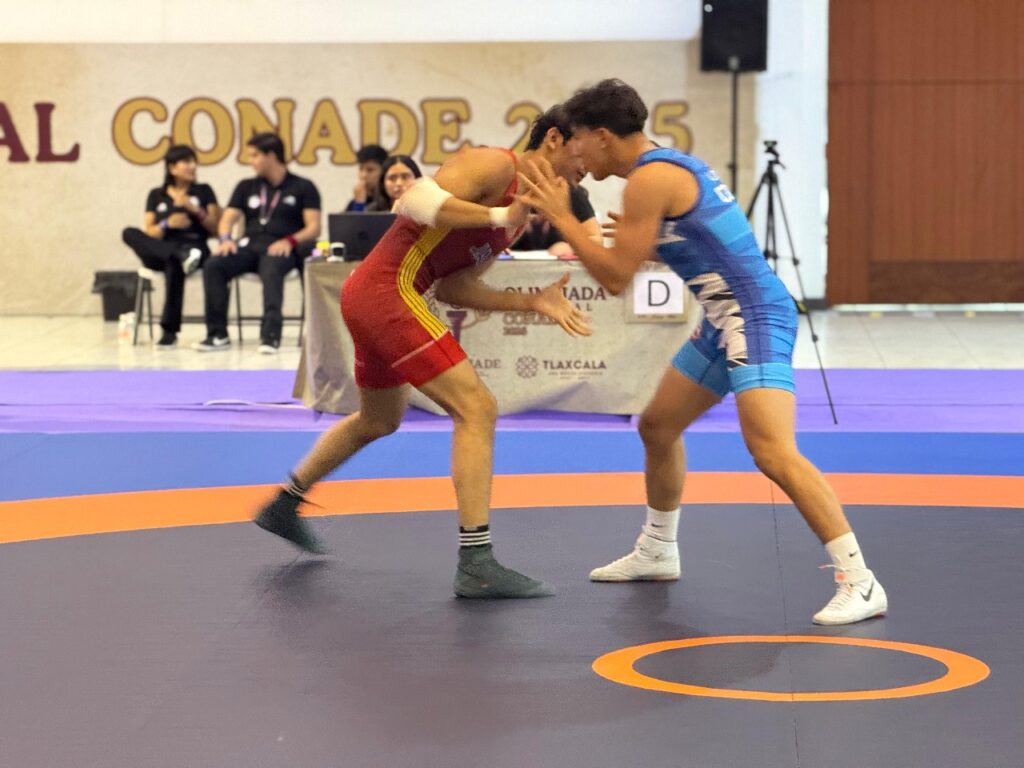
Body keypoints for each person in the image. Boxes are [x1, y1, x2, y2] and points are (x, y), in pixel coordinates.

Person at [518, 79, 887, 625]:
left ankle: (860, 581)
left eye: (576, 139)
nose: (575, 153)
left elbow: (615, 279)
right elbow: (696, 246)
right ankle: (657, 550)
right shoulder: (665, 168)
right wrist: (648, 243)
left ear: (602, 136)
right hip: (725, 318)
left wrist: (567, 220)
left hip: (754, 316)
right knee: (657, 427)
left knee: (772, 451)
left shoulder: (649, 181)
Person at [253, 120, 591, 600]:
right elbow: (412, 200)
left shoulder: (516, 222)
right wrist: (500, 214)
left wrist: (530, 301)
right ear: (554, 139)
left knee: (378, 420)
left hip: (376, 294)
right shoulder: (497, 164)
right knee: (477, 408)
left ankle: (284, 503)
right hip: (387, 291)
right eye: (582, 156)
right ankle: (476, 562)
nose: (586, 171)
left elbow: (455, 287)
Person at [197, 132, 321, 354]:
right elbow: (227, 219)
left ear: (271, 155)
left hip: (281, 248)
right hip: (249, 246)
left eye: (254, 155)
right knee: (214, 264)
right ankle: (217, 334)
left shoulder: (303, 186)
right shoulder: (246, 186)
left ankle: (270, 335)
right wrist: (225, 239)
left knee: (271, 267)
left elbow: (314, 227)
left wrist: (290, 240)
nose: (250, 161)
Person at [121, 145, 219, 349]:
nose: (193, 166)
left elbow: (215, 228)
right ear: (172, 168)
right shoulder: (156, 195)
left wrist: (194, 210)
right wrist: (168, 224)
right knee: (129, 232)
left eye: (194, 162)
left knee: (173, 264)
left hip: (195, 248)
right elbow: (150, 231)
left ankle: (169, 332)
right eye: (187, 162)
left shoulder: (204, 191)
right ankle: (180, 255)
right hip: (163, 247)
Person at [510, 105, 601, 257]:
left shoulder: (572, 191)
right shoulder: (500, 173)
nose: (589, 166)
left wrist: (570, 247)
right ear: (553, 138)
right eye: (583, 154)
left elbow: (595, 240)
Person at [345, 144, 388, 212]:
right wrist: (359, 203)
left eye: (370, 170)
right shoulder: (353, 203)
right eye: (361, 169)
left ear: (384, 172)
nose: (363, 175)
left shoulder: (390, 202)